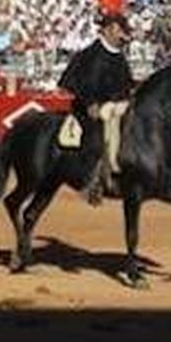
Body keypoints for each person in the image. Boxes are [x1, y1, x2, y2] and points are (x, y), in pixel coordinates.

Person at [57, 11, 135, 206]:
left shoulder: (120, 57)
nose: (123, 35)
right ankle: (91, 182)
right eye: (120, 30)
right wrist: (90, 102)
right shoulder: (88, 55)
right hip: (89, 109)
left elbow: (126, 86)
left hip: (116, 107)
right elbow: (70, 81)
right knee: (98, 137)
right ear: (109, 30)